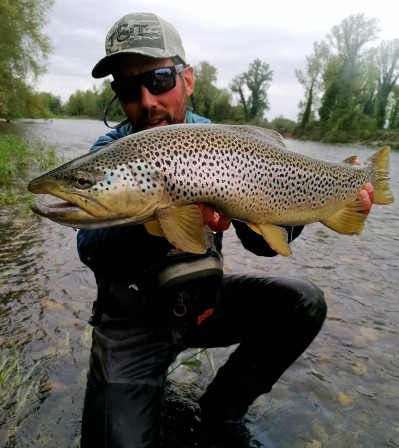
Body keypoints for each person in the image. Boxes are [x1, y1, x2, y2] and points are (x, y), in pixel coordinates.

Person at [77, 12, 374, 448]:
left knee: (303, 303)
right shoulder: (110, 152)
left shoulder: (223, 143)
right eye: (127, 88)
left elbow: (264, 243)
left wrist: (332, 200)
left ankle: (222, 407)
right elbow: (91, 248)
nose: (146, 100)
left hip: (200, 308)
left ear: (188, 80)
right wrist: (158, 218)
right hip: (133, 324)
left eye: (158, 79)